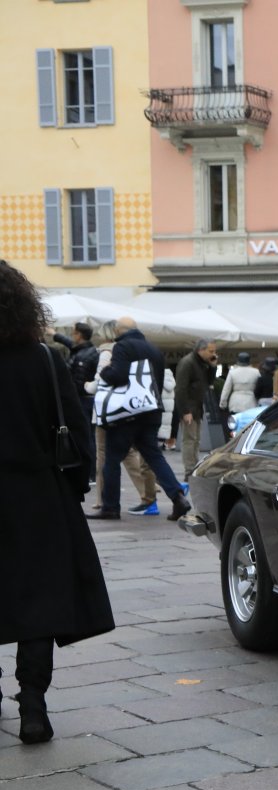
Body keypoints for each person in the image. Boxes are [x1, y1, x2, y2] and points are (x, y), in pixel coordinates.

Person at [0, 260, 114, 743]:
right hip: (37, 497)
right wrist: (73, 489)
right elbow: (78, 436)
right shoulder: (44, 360)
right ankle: (33, 706)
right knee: (39, 601)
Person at [92, 317, 191, 522]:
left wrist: (105, 370)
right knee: (154, 456)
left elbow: (118, 376)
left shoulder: (122, 346)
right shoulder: (154, 349)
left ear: (118, 331)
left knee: (112, 459)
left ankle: (110, 507)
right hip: (151, 411)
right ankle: (178, 497)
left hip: (128, 413)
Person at [87, 343, 160, 516]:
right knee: (130, 455)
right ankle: (148, 494)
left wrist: (87, 386)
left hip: (106, 413)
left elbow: (100, 383)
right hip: (123, 413)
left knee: (104, 457)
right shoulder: (130, 353)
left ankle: (104, 500)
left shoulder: (106, 354)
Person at [173, 339, 220, 480]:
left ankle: (194, 468)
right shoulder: (188, 363)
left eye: (214, 351)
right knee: (190, 439)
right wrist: (185, 411)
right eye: (211, 351)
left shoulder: (202, 363)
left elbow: (209, 382)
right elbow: (180, 389)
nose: (214, 354)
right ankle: (189, 471)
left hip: (197, 406)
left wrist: (213, 367)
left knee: (196, 439)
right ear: (201, 350)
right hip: (189, 407)